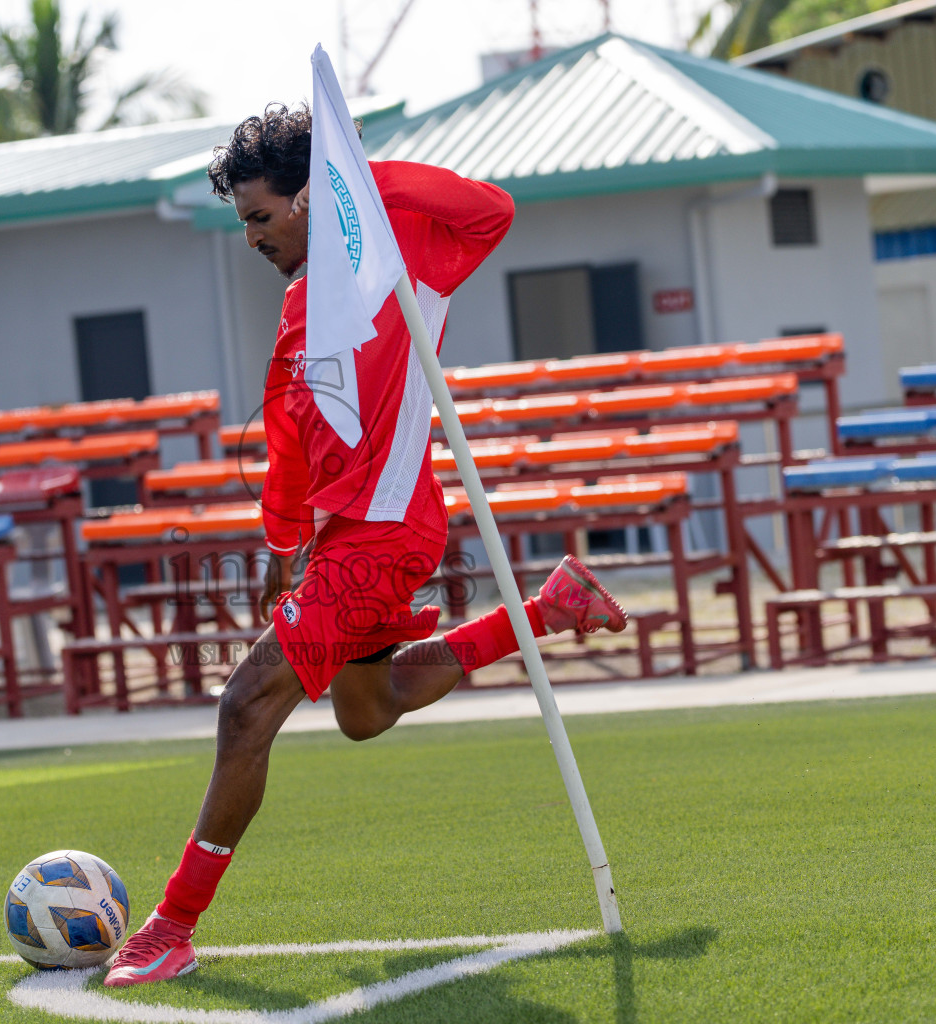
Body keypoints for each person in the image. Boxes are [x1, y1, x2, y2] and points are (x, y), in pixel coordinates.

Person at [102, 105, 628, 987]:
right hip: (347, 540)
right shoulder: (299, 306)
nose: (253, 238)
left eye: (262, 217)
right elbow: (290, 443)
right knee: (366, 710)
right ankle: (548, 609)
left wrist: (359, 186)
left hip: (387, 532)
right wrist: (282, 551)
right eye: (245, 223)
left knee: (245, 709)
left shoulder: (404, 249)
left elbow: (491, 209)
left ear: (312, 199)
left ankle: (170, 927)